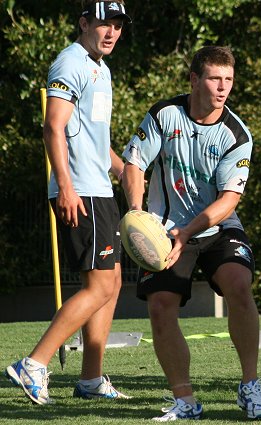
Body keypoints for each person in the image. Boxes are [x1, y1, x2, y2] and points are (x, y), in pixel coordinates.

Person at [122, 46, 261, 421]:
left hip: (215, 227)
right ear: (193, 79)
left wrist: (187, 233)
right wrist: (138, 214)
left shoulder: (236, 134)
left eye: (228, 80)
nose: (222, 88)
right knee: (160, 307)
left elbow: (229, 199)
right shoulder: (164, 114)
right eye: (213, 79)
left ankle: (250, 387)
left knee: (239, 284)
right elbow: (133, 163)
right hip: (165, 230)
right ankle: (186, 401)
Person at [5, 0, 131, 404]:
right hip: (81, 190)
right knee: (97, 286)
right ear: (83, 23)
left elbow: (96, 139)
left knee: (110, 284)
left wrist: (126, 171)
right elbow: (52, 126)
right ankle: (35, 364)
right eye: (102, 23)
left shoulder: (101, 68)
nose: (110, 31)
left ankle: (90, 379)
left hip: (100, 188)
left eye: (117, 25)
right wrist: (65, 185)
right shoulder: (70, 62)